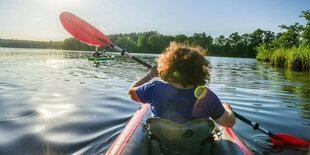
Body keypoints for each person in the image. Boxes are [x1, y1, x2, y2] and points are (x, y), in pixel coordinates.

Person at [128, 42, 235, 127]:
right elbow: (229, 123)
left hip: (161, 147)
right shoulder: (207, 96)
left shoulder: (154, 88)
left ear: (168, 67)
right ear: (200, 71)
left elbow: (131, 92)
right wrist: (228, 109)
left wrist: (149, 75)